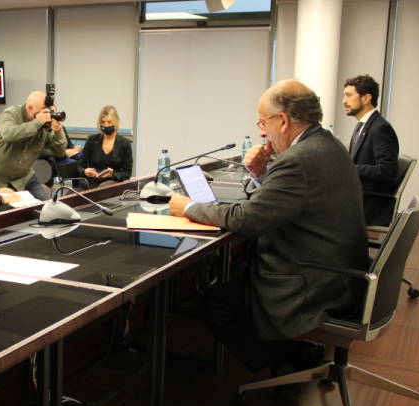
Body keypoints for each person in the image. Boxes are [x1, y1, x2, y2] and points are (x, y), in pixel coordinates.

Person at [169, 79, 369, 374]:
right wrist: (261, 174)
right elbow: (286, 202)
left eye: (264, 121)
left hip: (312, 283)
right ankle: (291, 352)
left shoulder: (298, 160)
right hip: (339, 274)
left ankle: (285, 363)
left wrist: (187, 207)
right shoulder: (328, 145)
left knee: (217, 304)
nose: (262, 131)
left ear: (284, 121)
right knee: (239, 274)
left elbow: (248, 219)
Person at [0, 91, 67, 201]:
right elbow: (9, 135)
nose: (45, 116)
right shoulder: (11, 114)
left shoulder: (45, 125)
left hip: (23, 177)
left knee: (46, 206)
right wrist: (37, 122)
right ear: (30, 108)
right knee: (6, 213)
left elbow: (60, 152)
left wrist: (58, 131)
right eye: (41, 112)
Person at [343, 74, 400, 227]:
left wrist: (349, 169)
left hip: (370, 203)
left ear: (366, 98)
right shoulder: (362, 125)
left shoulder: (380, 128)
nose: (344, 101)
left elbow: (387, 170)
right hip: (358, 197)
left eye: (349, 95)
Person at [77, 105, 132, 188]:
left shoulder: (125, 143)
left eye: (109, 122)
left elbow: (127, 173)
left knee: (105, 186)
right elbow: (80, 165)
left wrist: (112, 175)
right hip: (92, 183)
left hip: (113, 185)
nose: (106, 125)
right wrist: (85, 171)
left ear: (116, 122)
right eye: (103, 122)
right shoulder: (92, 140)